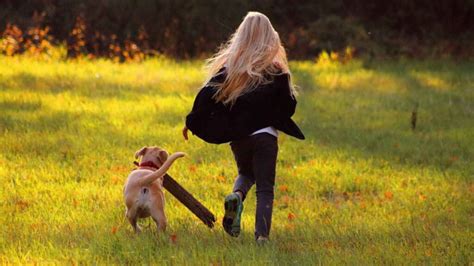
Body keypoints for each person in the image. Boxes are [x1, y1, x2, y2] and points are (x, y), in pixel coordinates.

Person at [183, 11, 304, 244]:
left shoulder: (232, 68)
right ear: (271, 38)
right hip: (266, 137)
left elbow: (206, 95)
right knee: (265, 188)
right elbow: (289, 106)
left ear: (241, 37)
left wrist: (192, 120)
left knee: (246, 173)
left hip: (239, 138)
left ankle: (237, 195)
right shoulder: (275, 69)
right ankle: (262, 237)